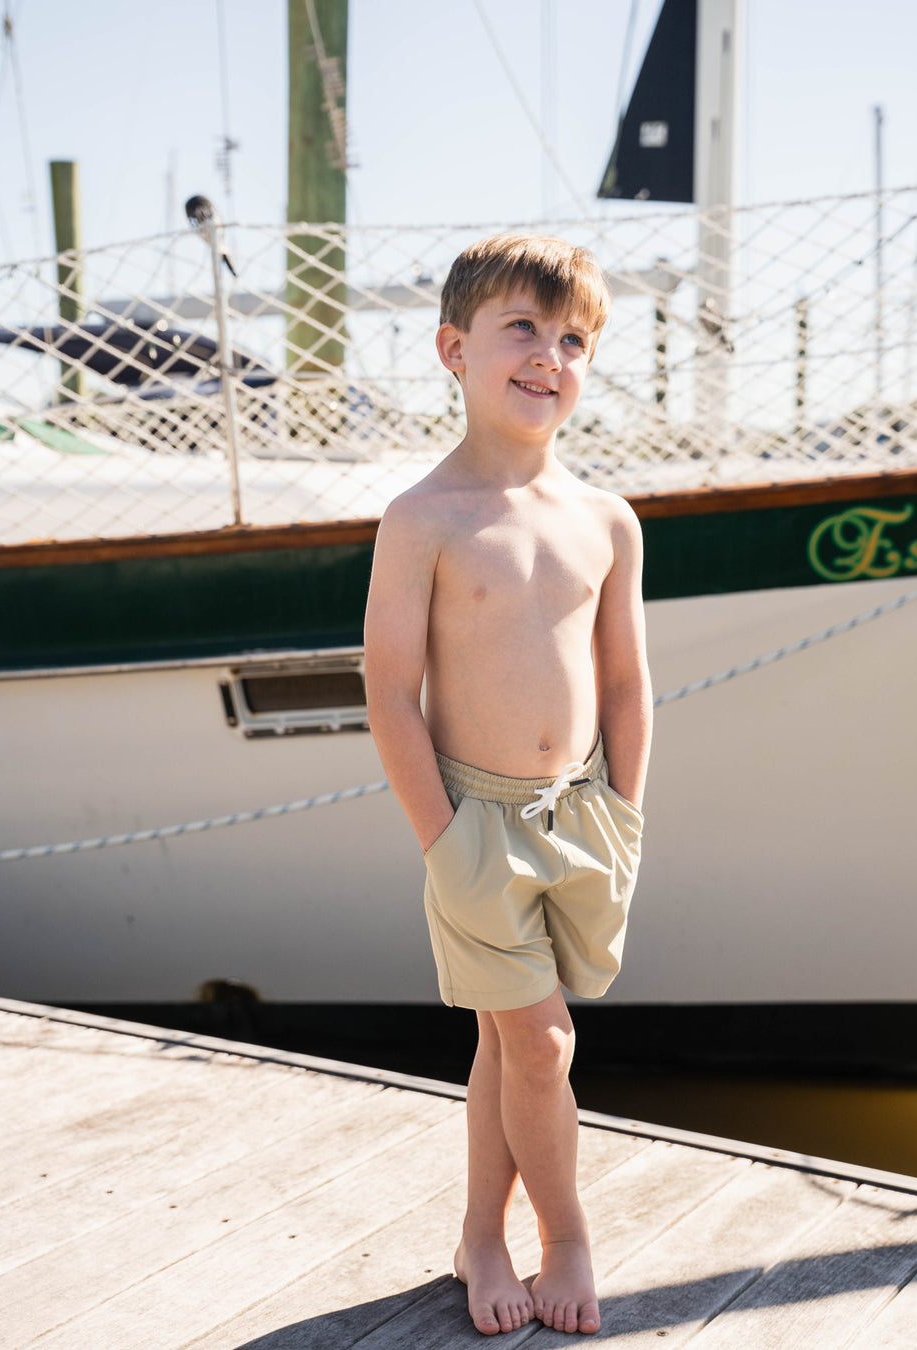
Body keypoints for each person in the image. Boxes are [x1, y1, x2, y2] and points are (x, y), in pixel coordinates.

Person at [364, 233, 652, 1337]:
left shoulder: (608, 520)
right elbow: (390, 691)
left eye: (572, 338)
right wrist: (445, 843)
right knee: (542, 1041)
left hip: (583, 815)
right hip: (472, 820)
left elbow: (626, 681)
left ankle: (477, 1232)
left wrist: (626, 813)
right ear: (455, 348)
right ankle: (564, 1235)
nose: (548, 356)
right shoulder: (423, 519)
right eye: (521, 329)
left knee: (503, 1042)